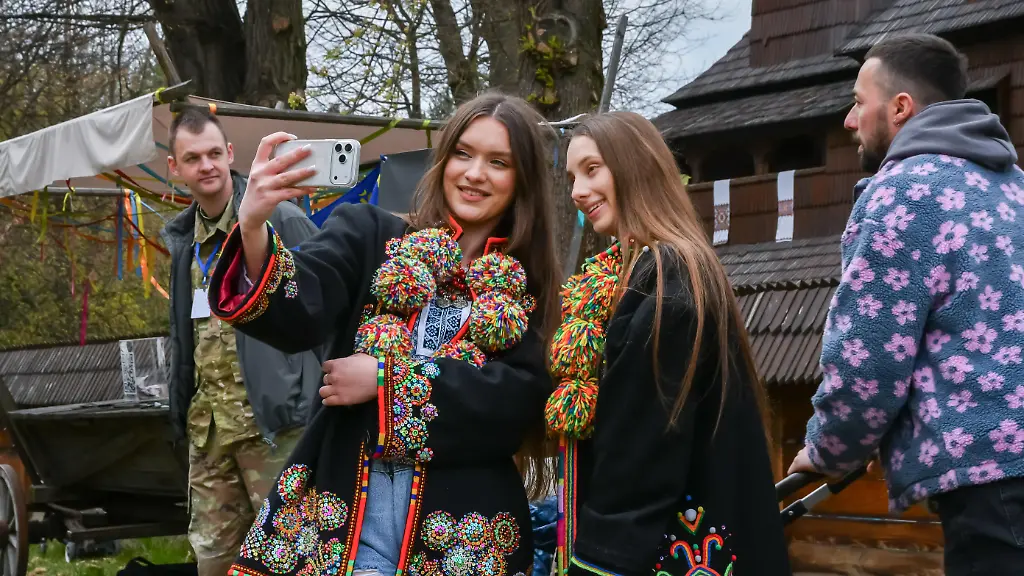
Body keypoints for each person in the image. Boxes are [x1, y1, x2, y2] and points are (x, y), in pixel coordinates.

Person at [206, 91, 562, 576]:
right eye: (463, 153)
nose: (475, 174)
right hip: (339, 522)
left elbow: (516, 404)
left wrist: (385, 380)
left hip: (464, 538)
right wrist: (252, 228)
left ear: (522, 180)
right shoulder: (371, 236)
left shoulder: (530, 289)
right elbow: (299, 311)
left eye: (498, 162)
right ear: (443, 161)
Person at [788, 33, 1024, 574]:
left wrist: (829, 449)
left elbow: (869, 360)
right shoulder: (1015, 188)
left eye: (857, 101)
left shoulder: (905, 193)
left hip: (993, 481)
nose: (849, 119)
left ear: (900, 109)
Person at [545, 111, 791, 576]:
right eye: (573, 176)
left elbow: (640, 454)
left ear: (636, 166)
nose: (577, 191)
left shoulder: (665, 285)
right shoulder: (675, 269)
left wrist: (596, 562)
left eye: (592, 169)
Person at [159, 107, 324, 576]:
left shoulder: (283, 220)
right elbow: (183, 334)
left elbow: (325, 314)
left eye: (215, 153)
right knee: (213, 563)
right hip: (209, 433)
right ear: (176, 168)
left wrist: (312, 401)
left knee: (290, 561)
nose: (206, 166)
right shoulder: (183, 242)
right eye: (193, 158)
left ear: (231, 154)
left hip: (275, 427)